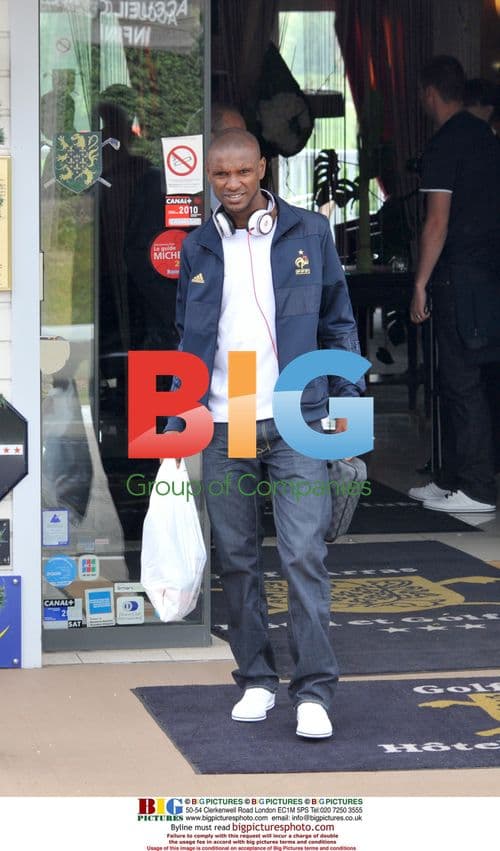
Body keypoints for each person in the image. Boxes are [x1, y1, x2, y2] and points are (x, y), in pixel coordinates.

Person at [165, 128, 363, 738]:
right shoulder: (197, 246)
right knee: (239, 560)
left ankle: (315, 692)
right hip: (228, 421)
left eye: (241, 173)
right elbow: (187, 339)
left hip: (296, 416)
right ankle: (255, 679)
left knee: (304, 553)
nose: (231, 185)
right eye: (220, 175)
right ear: (210, 178)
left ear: (262, 169)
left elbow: (338, 323)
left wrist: (348, 425)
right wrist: (178, 425)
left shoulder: (309, 232)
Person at [409, 56, 500, 513]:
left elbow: (436, 222)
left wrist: (420, 282)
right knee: (466, 377)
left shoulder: (445, 143)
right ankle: (451, 479)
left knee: (461, 380)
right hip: (487, 273)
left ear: (429, 93)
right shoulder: (485, 136)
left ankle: (478, 488)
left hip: (458, 275)